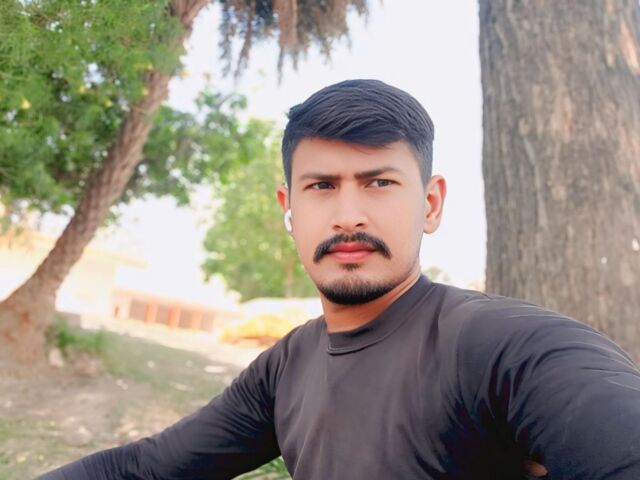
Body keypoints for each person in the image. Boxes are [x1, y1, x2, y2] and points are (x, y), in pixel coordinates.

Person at [40, 79, 640, 480]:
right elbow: (145, 469)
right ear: (290, 208)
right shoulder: (285, 368)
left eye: (379, 182)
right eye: (322, 186)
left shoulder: (508, 347)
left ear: (430, 204)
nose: (348, 214)